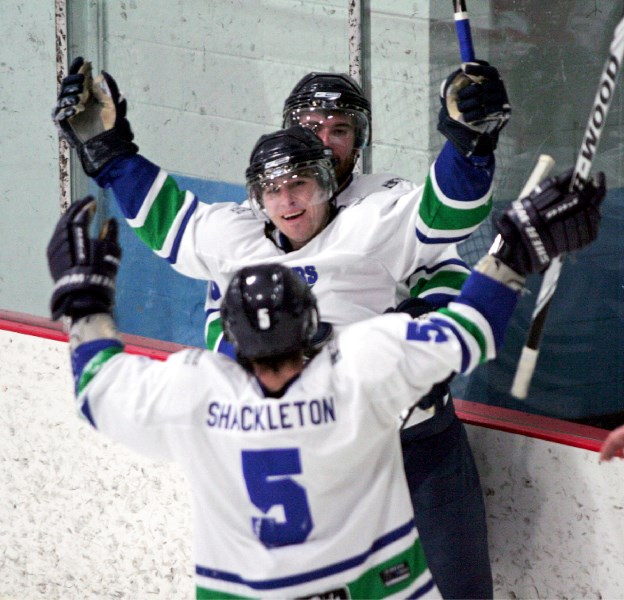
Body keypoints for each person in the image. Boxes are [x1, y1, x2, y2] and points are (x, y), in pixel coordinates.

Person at [53, 57, 510, 598]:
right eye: (309, 128)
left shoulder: (383, 207)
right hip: (303, 449)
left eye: (339, 130)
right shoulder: (237, 232)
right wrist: (108, 151)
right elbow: (171, 221)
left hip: (412, 444)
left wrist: (470, 145)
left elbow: (448, 220)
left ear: (357, 143)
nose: (291, 198)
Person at [46, 167, 605, 598]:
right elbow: (473, 328)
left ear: (229, 335)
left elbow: (97, 386)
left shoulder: (197, 391)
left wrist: (82, 302)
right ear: (314, 324)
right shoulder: (363, 365)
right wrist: (515, 250)